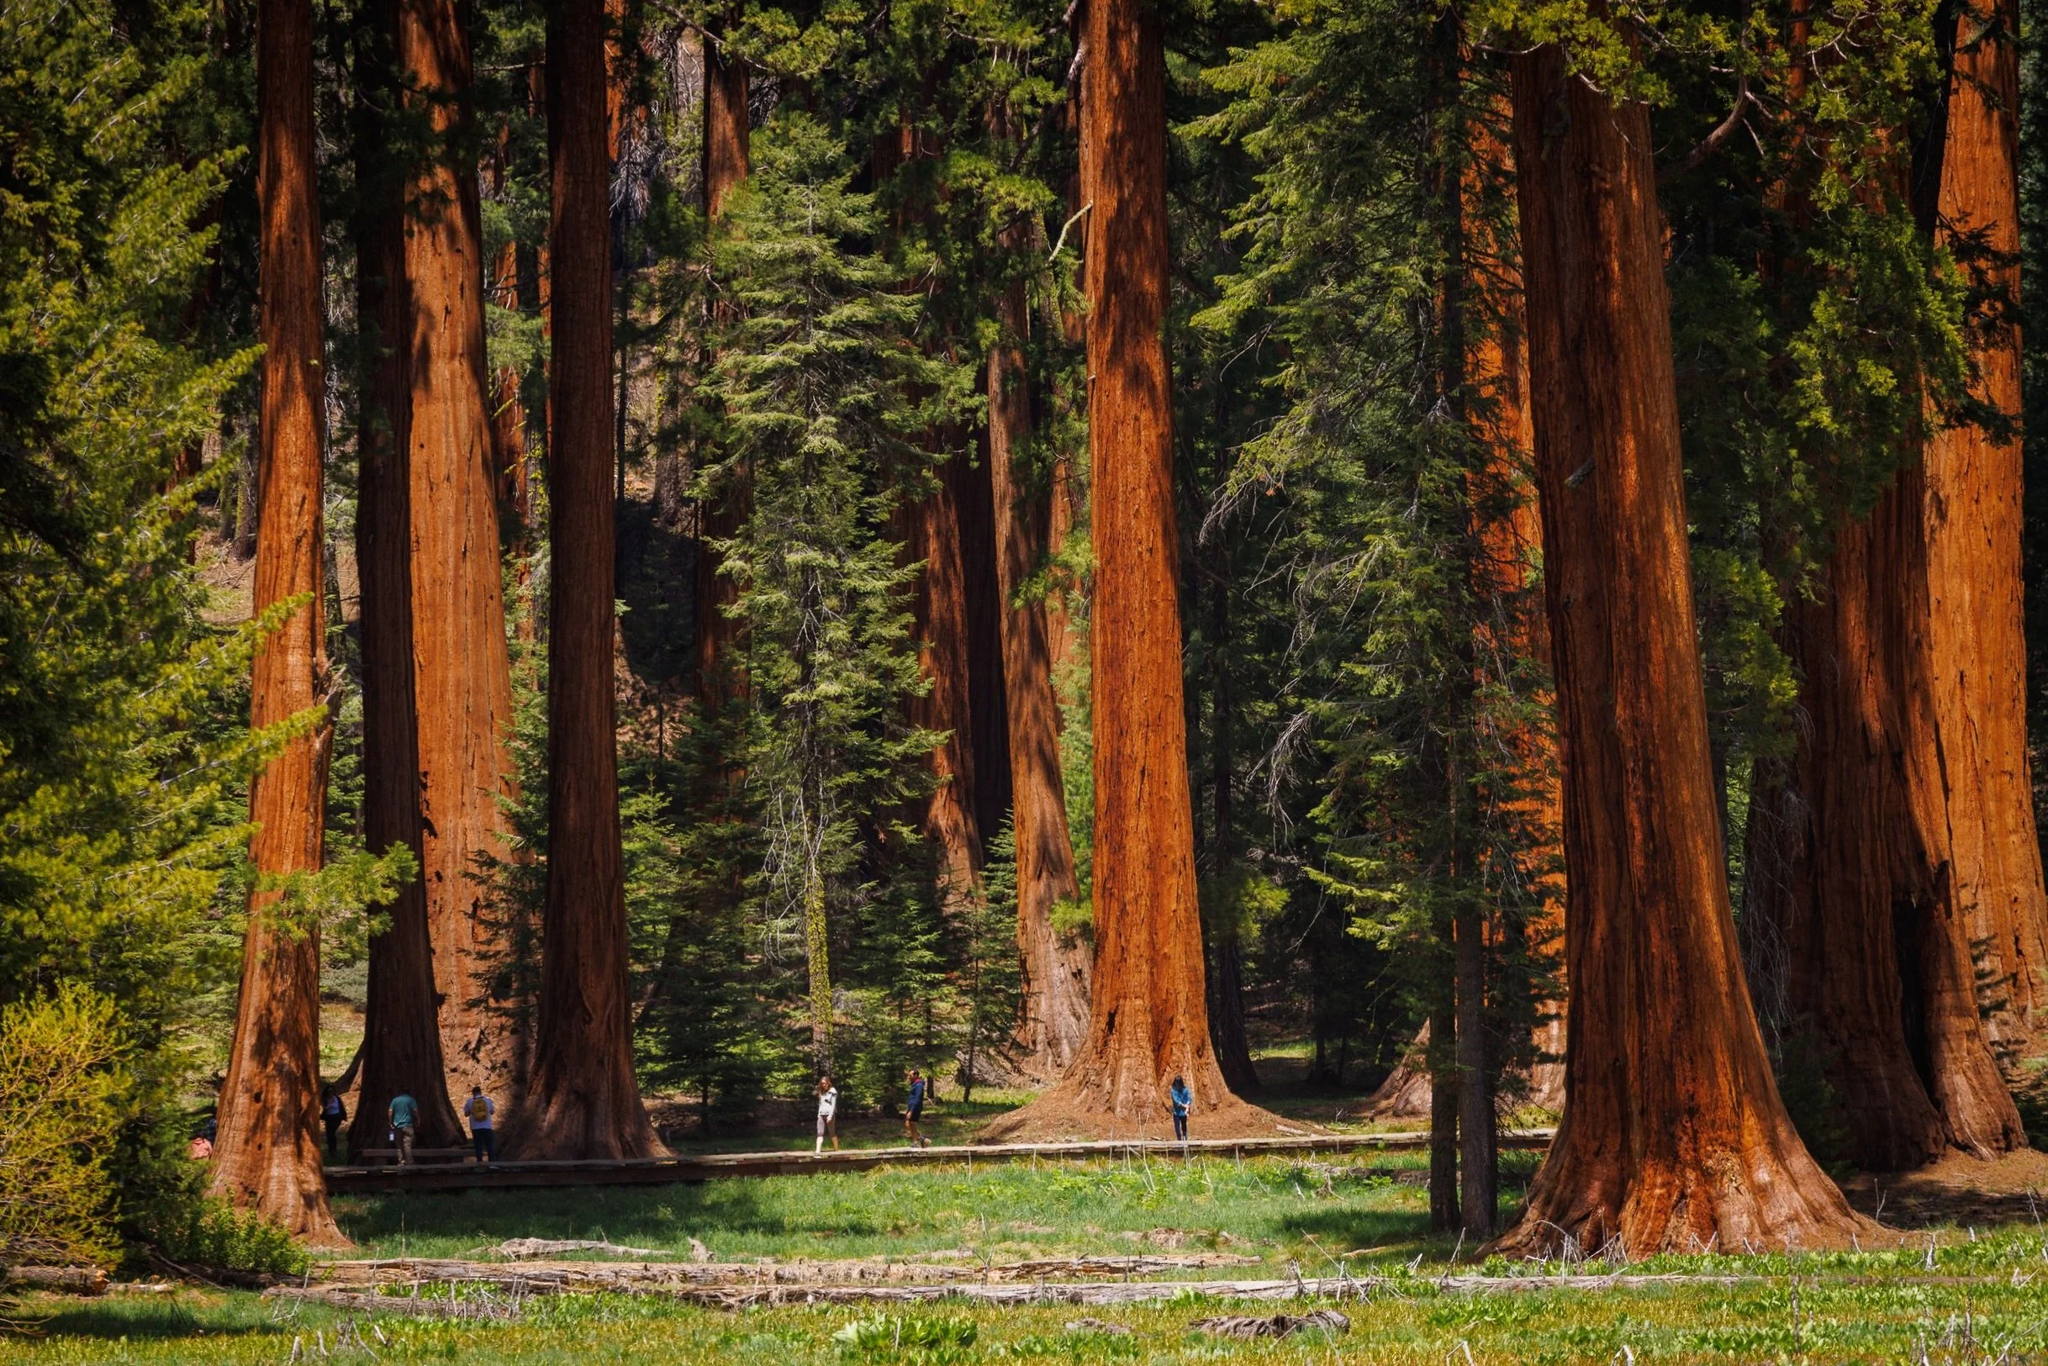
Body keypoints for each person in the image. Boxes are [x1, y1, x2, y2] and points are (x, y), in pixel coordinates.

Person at [464, 1085, 496, 1163]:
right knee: (489, 1145)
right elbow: (492, 1112)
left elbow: (466, 1114)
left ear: (473, 1093)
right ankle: (492, 1163)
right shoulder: (488, 1100)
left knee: (478, 1146)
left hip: (475, 1127)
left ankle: (479, 1163)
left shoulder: (469, 1101)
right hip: (487, 1126)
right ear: (480, 1092)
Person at [388, 1089, 419, 1166]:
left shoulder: (395, 1100)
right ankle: (410, 1162)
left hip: (397, 1126)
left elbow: (390, 1112)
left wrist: (390, 1122)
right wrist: (418, 1120)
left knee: (399, 1145)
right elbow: (415, 1111)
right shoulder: (411, 1100)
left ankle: (401, 1161)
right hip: (408, 1125)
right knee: (407, 1144)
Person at [903, 1068, 930, 1149]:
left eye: (910, 1075)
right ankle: (922, 1140)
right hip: (912, 1107)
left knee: (911, 1124)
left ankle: (917, 1141)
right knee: (909, 1124)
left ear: (916, 1075)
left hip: (916, 1107)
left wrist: (911, 1110)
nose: (909, 1077)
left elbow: (917, 1098)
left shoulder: (919, 1085)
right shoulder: (914, 1084)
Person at [814, 1075, 839, 1154]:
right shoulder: (821, 1091)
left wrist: (830, 1116)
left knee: (832, 1132)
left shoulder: (833, 1091)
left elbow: (833, 1105)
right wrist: (818, 1114)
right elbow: (820, 1104)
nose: (823, 1085)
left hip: (829, 1114)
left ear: (828, 1083)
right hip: (821, 1114)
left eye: (824, 1083)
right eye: (822, 1083)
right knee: (819, 1132)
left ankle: (836, 1149)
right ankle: (817, 1150)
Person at [321, 1087, 347, 1161]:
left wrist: (343, 1116)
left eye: (332, 1091)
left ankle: (333, 1149)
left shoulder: (337, 1098)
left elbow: (341, 1107)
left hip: (336, 1117)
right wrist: (329, 1105)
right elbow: (325, 1108)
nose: (330, 1093)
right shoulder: (325, 1099)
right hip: (329, 1118)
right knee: (330, 1134)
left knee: (332, 1133)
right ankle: (331, 1150)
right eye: (329, 1092)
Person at [1168, 1075, 1193, 1144]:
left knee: (1184, 1124)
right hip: (1177, 1111)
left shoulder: (1185, 1089)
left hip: (1183, 1112)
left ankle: (1185, 1138)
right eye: (1176, 1083)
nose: (1177, 1084)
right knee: (1177, 1126)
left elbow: (1189, 1098)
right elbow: (1176, 1101)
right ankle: (1179, 1139)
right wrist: (1184, 1105)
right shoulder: (1173, 1091)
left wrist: (1187, 1104)